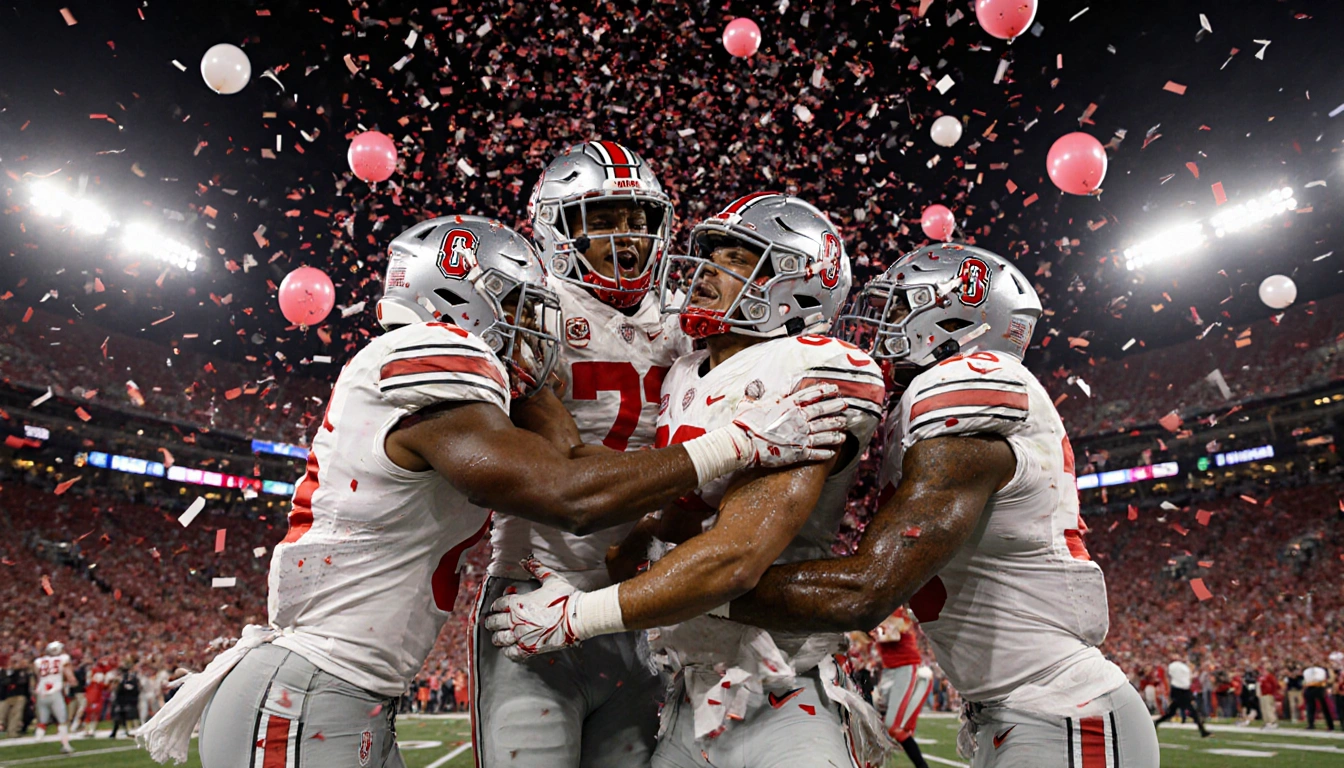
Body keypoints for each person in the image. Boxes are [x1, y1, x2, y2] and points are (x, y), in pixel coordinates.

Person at [137, 215, 843, 768]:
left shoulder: (434, 367)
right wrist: (736, 443)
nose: (528, 323)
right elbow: (568, 491)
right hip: (312, 684)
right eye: (512, 302)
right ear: (457, 296)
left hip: (344, 690)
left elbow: (565, 454)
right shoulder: (427, 354)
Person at [714, 243, 1163, 767]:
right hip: (1026, 714)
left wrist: (691, 588)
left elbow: (866, 590)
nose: (884, 327)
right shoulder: (930, 412)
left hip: (1063, 713)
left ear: (954, 318)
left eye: (901, 308)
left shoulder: (970, 389)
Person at [488, 194, 894, 768]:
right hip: (686, 691)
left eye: (735, 260)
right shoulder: (685, 370)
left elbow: (735, 559)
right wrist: (646, 533)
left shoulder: (808, 367)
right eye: (708, 256)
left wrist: (579, 615)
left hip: (781, 686)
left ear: (793, 285)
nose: (703, 273)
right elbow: (681, 507)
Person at [473, 141, 691, 767]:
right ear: (557, 231)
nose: (627, 236)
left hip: (638, 601)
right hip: (534, 589)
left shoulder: (684, 322)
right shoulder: (526, 312)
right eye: (602, 219)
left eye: (638, 218)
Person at [872, 607, 932, 768]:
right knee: (877, 723)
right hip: (889, 669)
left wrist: (864, 630)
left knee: (892, 725)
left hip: (904, 667)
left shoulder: (893, 610)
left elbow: (890, 635)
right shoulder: (878, 612)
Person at [33, 642, 75, 753]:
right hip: (55, 692)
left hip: (41, 693)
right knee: (62, 721)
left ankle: (37, 742)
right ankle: (65, 745)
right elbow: (69, 675)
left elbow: (38, 676)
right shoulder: (63, 659)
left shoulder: (39, 661)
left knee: (42, 721)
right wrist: (72, 681)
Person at [1153, 656, 1210, 737]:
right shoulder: (1182, 667)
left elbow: (1171, 677)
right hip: (1182, 690)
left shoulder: (1174, 667)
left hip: (1178, 690)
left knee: (1172, 712)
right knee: (1192, 711)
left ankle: (1157, 722)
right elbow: (1187, 679)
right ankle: (1202, 730)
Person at [0, 653, 30, 738]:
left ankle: (12, 732)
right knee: (3, 715)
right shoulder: (4, 672)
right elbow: (3, 682)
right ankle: (9, 731)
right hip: (6, 696)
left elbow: (22, 682)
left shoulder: (22, 672)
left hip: (19, 695)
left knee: (16, 715)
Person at [109, 662, 141, 738]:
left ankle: (126, 731)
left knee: (127, 716)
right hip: (122, 700)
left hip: (128, 700)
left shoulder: (132, 680)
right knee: (120, 717)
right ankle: (117, 731)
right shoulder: (121, 680)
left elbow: (134, 689)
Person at [1303, 663, 1335, 730]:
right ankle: (1329, 725)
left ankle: (1312, 724)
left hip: (1315, 687)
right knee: (1320, 707)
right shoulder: (1320, 671)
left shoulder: (1309, 671)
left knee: (1313, 707)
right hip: (1317, 688)